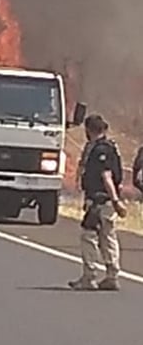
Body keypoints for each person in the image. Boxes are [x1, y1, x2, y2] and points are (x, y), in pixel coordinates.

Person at [69, 114, 127, 291]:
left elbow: (106, 176)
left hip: (99, 201)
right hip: (107, 201)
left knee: (88, 236)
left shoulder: (100, 150)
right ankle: (112, 274)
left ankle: (89, 276)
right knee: (108, 236)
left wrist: (116, 200)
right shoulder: (111, 148)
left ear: (89, 130)